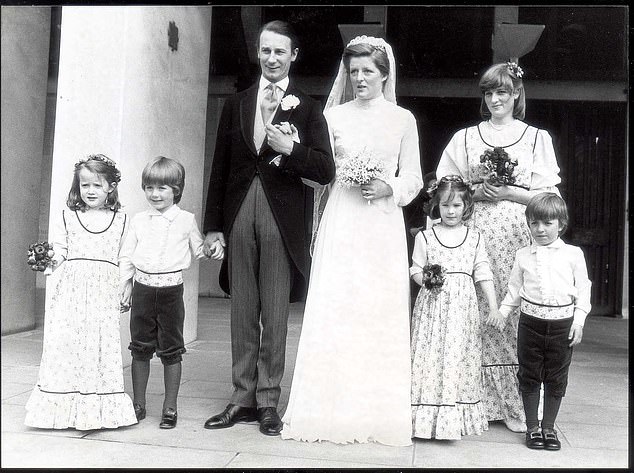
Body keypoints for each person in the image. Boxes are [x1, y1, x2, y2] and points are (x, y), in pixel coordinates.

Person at [281, 35, 423, 446]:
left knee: (375, 310)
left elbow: (413, 176)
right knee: (338, 306)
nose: (360, 78)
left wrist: (387, 187)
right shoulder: (332, 118)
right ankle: (326, 412)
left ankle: (376, 415)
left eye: (368, 71)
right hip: (342, 219)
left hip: (380, 224)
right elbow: (318, 171)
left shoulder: (402, 119)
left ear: (384, 74)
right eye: (354, 71)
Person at [202, 20, 335, 436]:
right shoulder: (237, 103)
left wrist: (290, 149)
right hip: (240, 211)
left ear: (293, 55)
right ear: (258, 54)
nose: (272, 58)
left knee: (275, 311)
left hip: (282, 216)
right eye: (265, 51)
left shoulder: (310, 108)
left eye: (280, 51)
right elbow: (220, 167)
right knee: (243, 308)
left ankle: (267, 401)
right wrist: (212, 227)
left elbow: (325, 169)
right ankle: (241, 398)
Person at [436, 62, 562, 432]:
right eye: (489, 93)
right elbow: (443, 187)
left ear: (516, 94)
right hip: (473, 236)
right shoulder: (465, 137)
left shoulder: (537, 138)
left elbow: (549, 197)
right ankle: (471, 400)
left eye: (502, 92)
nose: (495, 100)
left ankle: (514, 404)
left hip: (517, 236)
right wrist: (474, 192)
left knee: (512, 312)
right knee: (472, 309)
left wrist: (510, 193)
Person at [25, 154, 137, 430]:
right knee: (68, 342)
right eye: (84, 185)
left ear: (111, 187)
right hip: (72, 291)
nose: (90, 191)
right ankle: (64, 406)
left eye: (97, 185)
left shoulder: (121, 220)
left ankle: (97, 408)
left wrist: (127, 284)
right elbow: (61, 251)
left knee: (100, 343)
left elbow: (126, 257)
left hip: (104, 290)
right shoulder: (68, 216)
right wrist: (46, 259)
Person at [490, 193, 591, 450]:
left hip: (562, 326)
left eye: (547, 223)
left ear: (561, 223)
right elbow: (514, 290)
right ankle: (533, 428)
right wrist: (501, 313)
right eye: (534, 223)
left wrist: (578, 321)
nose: (540, 229)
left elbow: (584, 289)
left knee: (557, 377)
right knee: (530, 375)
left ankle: (549, 428)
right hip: (530, 324)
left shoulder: (573, 254)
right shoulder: (523, 255)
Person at [120, 156, 207, 429]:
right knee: (140, 348)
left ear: (177, 190)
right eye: (149, 188)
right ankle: (139, 404)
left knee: (171, 349)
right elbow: (126, 256)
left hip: (171, 292)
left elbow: (200, 249)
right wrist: (126, 284)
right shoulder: (138, 220)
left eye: (162, 188)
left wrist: (213, 248)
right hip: (144, 291)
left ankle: (170, 407)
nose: (155, 194)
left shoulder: (186, 220)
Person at [410, 176, 498, 440]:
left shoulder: (474, 237)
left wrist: (493, 307)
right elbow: (415, 268)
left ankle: (454, 416)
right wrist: (426, 280)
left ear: (466, 206)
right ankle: (425, 417)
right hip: (433, 307)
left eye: (457, 205)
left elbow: (482, 271)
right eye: (446, 205)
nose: (451, 211)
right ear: (436, 205)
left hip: (463, 309)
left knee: (459, 354)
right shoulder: (426, 236)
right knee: (432, 354)